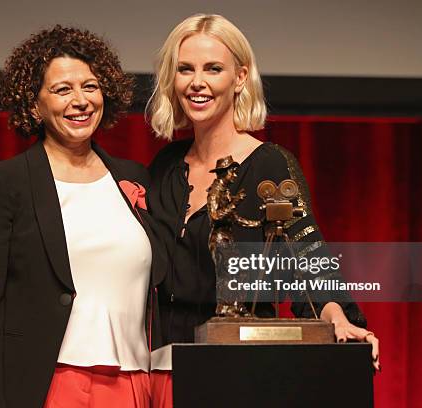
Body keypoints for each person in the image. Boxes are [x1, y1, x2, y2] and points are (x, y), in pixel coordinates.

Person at [145, 14, 380, 406]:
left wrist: (337, 316)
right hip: (160, 376)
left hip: (238, 375)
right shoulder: (164, 167)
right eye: (185, 69)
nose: (196, 82)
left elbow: (308, 259)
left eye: (213, 69)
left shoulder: (268, 165)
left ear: (239, 78)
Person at [0, 25, 164, 408]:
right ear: (35, 105)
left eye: (90, 86)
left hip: (135, 380)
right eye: (62, 90)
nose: (81, 100)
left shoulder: (134, 178)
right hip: (52, 382)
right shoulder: (5, 182)